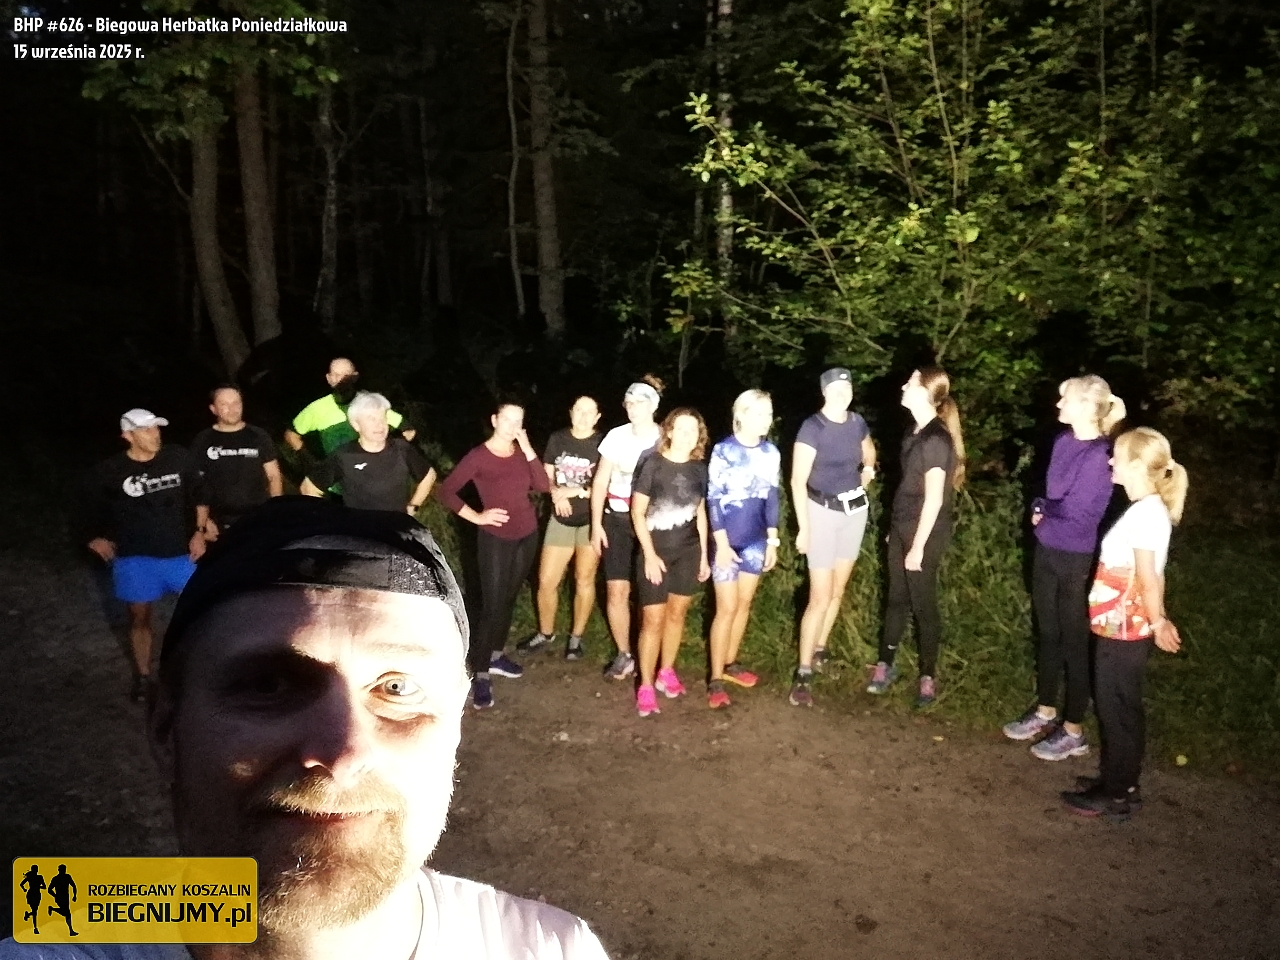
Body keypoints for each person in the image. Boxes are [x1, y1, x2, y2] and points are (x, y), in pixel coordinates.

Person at [0, 498, 611, 959]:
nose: (344, 752)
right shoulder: (58, 938)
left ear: (455, 729)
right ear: (166, 727)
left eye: (398, 689)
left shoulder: (550, 948)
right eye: (268, 685)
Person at [1062, 428, 1187, 822]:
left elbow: (1149, 577)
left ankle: (1115, 793)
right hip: (1123, 626)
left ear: (1135, 466)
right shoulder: (1145, 510)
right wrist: (1157, 618)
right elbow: (1155, 575)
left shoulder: (1147, 514)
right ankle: (1122, 783)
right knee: (1122, 707)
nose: (1111, 461)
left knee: (1116, 709)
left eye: (1117, 456)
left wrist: (1158, 621)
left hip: (1124, 629)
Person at [1003, 376, 1126, 760]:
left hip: (1075, 556)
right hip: (1047, 547)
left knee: (1073, 640)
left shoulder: (1100, 454)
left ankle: (1074, 729)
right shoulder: (1062, 442)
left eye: (1065, 400)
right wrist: (1041, 505)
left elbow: (1076, 511)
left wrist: (1045, 507)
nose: (1058, 405)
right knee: (1048, 632)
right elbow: (1052, 492)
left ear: (1088, 407)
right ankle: (1045, 710)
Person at [86, 409, 208, 701]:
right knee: (140, 619)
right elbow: (86, 507)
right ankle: (143, 677)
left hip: (181, 555)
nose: (155, 435)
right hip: (135, 558)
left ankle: (203, 674)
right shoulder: (110, 471)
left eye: (156, 428)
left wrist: (199, 531)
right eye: (146, 430)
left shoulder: (177, 457)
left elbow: (201, 495)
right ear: (127, 436)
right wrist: (92, 537)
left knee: (203, 613)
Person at [437, 401, 551, 709]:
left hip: (526, 533)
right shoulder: (479, 456)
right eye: (507, 419)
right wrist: (477, 516)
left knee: (509, 598)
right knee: (492, 604)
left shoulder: (521, 452)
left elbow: (542, 485)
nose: (512, 426)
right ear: (494, 420)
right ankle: (481, 673)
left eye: (518, 421)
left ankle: (497, 656)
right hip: (496, 538)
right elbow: (446, 491)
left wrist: (528, 448)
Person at [867, 367, 965, 707]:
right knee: (896, 598)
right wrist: (894, 532)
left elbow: (934, 499)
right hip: (903, 527)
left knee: (923, 603)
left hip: (926, 533)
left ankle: (927, 676)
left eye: (911, 382)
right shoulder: (913, 431)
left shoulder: (936, 439)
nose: (904, 385)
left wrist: (918, 547)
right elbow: (908, 487)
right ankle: (886, 664)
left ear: (925, 392)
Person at [788, 368, 878, 707]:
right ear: (824, 392)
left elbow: (869, 451)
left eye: (847, 388)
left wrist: (868, 469)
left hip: (853, 513)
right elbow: (797, 481)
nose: (842, 393)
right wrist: (805, 528)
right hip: (821, 513)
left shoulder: (857, 423)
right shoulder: (813, 428)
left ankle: (820, 650)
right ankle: (803, 672)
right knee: (819, 596)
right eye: (836, 389)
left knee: (838, 590)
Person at [630, 408, 711, 718]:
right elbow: (637, 512)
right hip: (655, 552)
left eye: (694, 430)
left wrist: (703, 554)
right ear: (670, 431)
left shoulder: (699, 469)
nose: (688, 435)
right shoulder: (652, 464)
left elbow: (699, 511)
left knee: (677, 615)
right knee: (652, 620)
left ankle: (666, 671)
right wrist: (649, 555)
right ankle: (646, 685)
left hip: (688, 553)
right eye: (682, 428)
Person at [705, 390, 781, 709]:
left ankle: (730, 662)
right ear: (742, 415)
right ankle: (715, 678)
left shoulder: (771, 452)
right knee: (726, 608)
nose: (767, 420)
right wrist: (721, 544)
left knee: (744, 604)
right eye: (760, 413)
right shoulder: (723, 450)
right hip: (726, 540)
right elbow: (713, 498)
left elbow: (772, 497)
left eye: (769, 413)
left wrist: (773, 540)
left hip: (756, 541)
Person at [590, 377, 664, 680]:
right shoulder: (616, 436)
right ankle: (624, 654)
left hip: (652, 523)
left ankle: (652, 655)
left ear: (653, 406)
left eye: (639, 403)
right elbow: (600, 482)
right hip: (617, 521)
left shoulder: (664, 438)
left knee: (650, 594)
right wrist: (596, 524)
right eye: (628, 403)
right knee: (616, 590)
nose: (632, 408)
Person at [521, 396, 603, 660]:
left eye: (589, 412)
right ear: (571, 412)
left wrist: (575, 491)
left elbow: (605, 484)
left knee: (584, 579)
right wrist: (556, 494)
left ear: (597, 417)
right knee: (547, 580)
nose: (583, 416)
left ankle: (576, 639)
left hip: (591, 520)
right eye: (579, 410)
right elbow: (546, 475)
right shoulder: (558, 439)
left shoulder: (603, 443)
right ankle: (545, 632)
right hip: (560, 519)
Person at [301, 391, 437, 514]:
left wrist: (413, 506)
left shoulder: (402, 449)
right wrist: (330, 519)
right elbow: (309, 487)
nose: (380, 425)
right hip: (363, 531)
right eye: (372, 419)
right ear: (356, 425)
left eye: (383, 418)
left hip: (398, 527)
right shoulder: (344, 456)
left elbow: (429, 475)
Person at [189, 384, 283, 537]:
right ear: (213, 409)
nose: (232, 409)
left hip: (258, 518)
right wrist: (204, 521)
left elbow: (274, 477)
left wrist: (275, 512)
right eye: (224, 404)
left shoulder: (258, 436)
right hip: (219, 524)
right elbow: (196, 484)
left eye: (236, 403)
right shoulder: (203, 440)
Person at [284, 357, 414, 456]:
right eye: (336, 375)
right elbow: (291, 435)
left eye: (346, 375)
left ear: (355, 377)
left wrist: (390, 455)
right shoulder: (317, 408)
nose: (341, 379)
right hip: (339, 481)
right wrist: (311, 463)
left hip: (375, 476)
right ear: (329, 378)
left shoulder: (370, 403)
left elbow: (409, 430)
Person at [46, 864, 78, 937]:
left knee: (66, 913)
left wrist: (74, 895)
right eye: (62, 870)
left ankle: (52, 909)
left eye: (64, 870)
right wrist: (55, 896)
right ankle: (71, 930)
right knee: (67, 913)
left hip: (66, 898)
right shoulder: (55, 878)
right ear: (59, 870)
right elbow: (49, 889)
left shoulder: (67, 877)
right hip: (59, 898)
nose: (63, 871)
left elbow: (73, 886)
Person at [20, 866, 44, 935]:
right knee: (34, 911)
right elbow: (21, 884)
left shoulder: (39, 877)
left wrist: (25, 889)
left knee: (34, 911)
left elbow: (44, 886)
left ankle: (28, 914)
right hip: (32, 895)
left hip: (36, 895)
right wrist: (24, 889)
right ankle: (35, 928)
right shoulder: (31, 877)